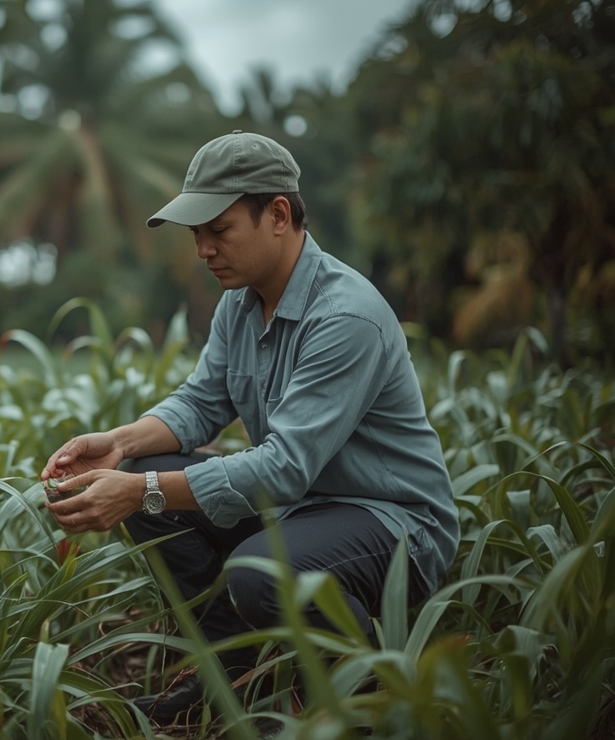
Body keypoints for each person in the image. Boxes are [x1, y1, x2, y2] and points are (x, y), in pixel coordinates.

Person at [40, 130, 459, 725]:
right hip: (301, 514)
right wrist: (120, 445)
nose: (204, 250)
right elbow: (201, 402)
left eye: (219, 231)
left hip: (390, 521)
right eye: (196, 236)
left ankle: (359, 700)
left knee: (252, 566)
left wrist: (140, 491)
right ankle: (227, 677)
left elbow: (285, 469)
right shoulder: (240, 302)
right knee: (149, 473)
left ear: (278, 215)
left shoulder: (346, 316)